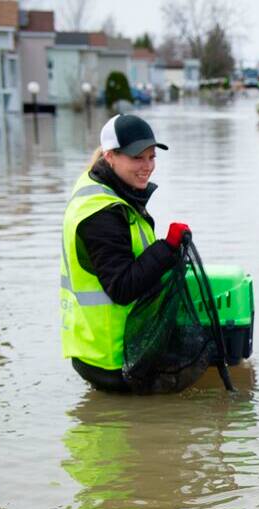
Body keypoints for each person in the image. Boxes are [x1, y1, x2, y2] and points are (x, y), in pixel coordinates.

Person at [60, 113, 191, 392]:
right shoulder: (101, 214)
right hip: (113, 356)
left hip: (116, 346)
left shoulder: (110, 189)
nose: (147, 167)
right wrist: (166, 248)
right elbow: (121, 287)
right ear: (110, 157)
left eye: (151, 157)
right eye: (137, 158)